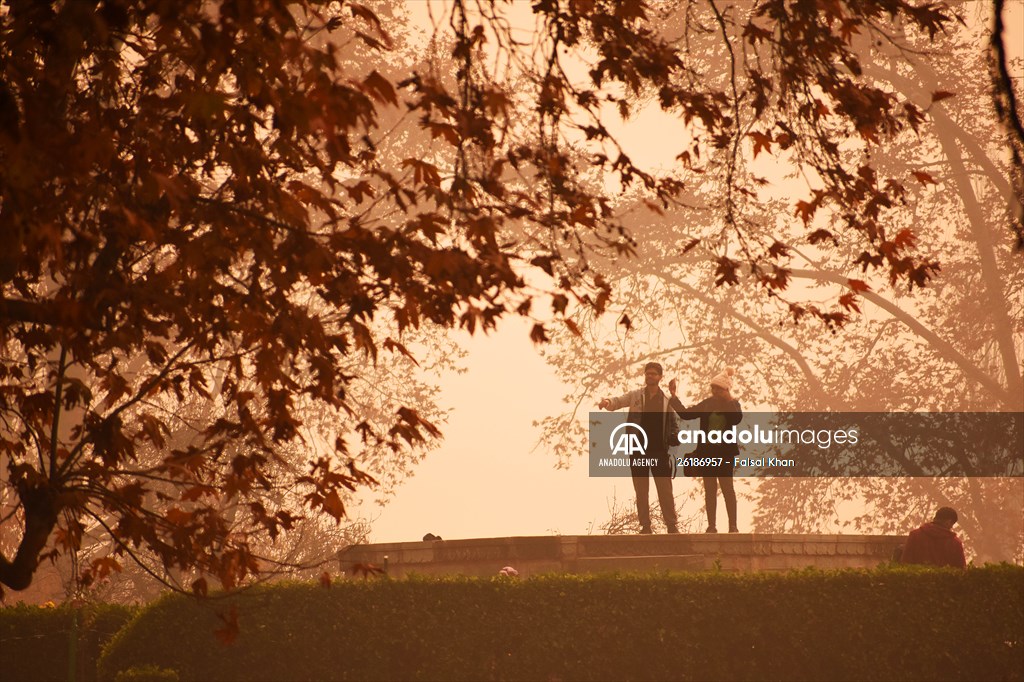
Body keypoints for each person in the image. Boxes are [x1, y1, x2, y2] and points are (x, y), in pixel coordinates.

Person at [599, 362, 679, 534]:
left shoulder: (666, 401)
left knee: (665, 489)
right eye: (647, 373)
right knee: (641, 490)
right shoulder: (636, 396)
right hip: (638, 449)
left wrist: (674, 439)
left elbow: (674, 425)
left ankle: (671, 525)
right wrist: (607, 402)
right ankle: (645, 526)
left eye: (653, 374)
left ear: (660, 377)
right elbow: (619, 401)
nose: (649, 376)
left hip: (659, 451)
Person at [668, 368, 742, 533]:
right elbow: (686, 414)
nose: (714, 391)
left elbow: (736, 419)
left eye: (718, 388)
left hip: (725, 454)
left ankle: (733, 526)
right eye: (713, 388)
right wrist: (674, 397)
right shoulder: (707, 404)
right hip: (707, 453)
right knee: (710, 490)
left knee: (728, 489)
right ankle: (712, 525)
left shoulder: (733, 404)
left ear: (726, 389)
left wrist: (728, 399)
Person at [900, 507, 967, 568]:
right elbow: (961, 569)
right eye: (952, 525)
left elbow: (905, 562)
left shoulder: (914, 535)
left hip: (917, 580)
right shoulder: (955, 543)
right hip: (944, 581)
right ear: (948, 522)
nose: (951, 528)